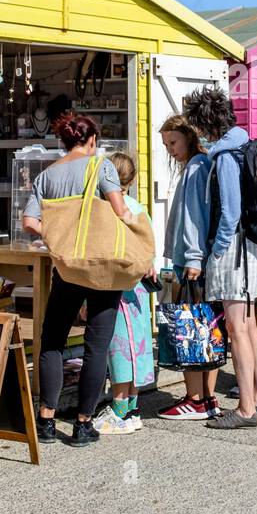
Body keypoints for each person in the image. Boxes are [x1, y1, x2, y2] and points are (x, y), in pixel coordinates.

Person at [22, 112, 131, 447]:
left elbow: (29, 222)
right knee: (96, 346)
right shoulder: (102, 167)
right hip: (101, 267)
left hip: (67, 267)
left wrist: (58, 238)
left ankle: (47, 422)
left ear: (64, 141)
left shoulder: (48, 175)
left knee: (52, 339)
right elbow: (120, 212)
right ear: (93, 140)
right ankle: (83, 424)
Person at [183, 86, 257, 430]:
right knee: (248, 326)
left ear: (205, 124)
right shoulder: (246, 145)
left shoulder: (225, 156)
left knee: (235, 329)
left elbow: (230, 211)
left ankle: (246, 408)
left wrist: (216, 252)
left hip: (234, 250)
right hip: (252, 249)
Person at [153, 115, 224, 422]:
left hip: (190, 261)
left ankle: (194, 398)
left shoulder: (196, 167)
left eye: (173, 142)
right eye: (166, 144)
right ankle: (208, 397)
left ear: (188, 137)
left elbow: (195, 216)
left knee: (188, 329)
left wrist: (193, 257)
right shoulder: (201, 165)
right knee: (208, 328)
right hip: (197, 260)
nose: (170, 149)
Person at [92, 151, 155, 436]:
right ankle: (132, 406)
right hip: (139, 289)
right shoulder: (138, 207)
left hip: (117, 286)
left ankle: (118, 407)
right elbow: (148, 246)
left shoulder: (106, 209)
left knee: (119, 347)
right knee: (137, 345)